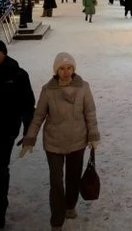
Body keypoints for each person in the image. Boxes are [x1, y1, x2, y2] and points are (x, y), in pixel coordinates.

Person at [20, 52, 100, 231]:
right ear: (56, 70)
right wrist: (30, 139)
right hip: (53, 143)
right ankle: (56, 220)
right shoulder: (48, 90)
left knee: (73, 178)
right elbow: (38, 116)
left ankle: (70, 205)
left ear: (74, 69)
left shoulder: (83, 87)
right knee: (56, 182)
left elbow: (90, 113)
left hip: (77, 141)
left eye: (69, 68)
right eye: (62, 68)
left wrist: (93, 136)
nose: (66, 72)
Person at [0, 39, 35, 231]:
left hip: (5, 131)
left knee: (0, 170)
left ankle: (0, 211)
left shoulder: (18, 75)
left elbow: (28, 104)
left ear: (4, 53)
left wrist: (28, 131)